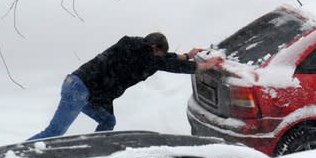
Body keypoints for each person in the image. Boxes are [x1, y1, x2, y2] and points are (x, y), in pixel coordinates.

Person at [28, 32, 222, 141]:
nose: (158, 58)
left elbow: (163, 60)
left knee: (107, 121)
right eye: (159, 54)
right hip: (80, 90)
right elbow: (165, 63)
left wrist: (186, 56)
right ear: (155, 48)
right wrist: (202, 66)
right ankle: (15, 155)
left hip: (80, 87)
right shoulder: (144, 55)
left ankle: (97, 148)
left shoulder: (134, 47)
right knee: (54, 133)